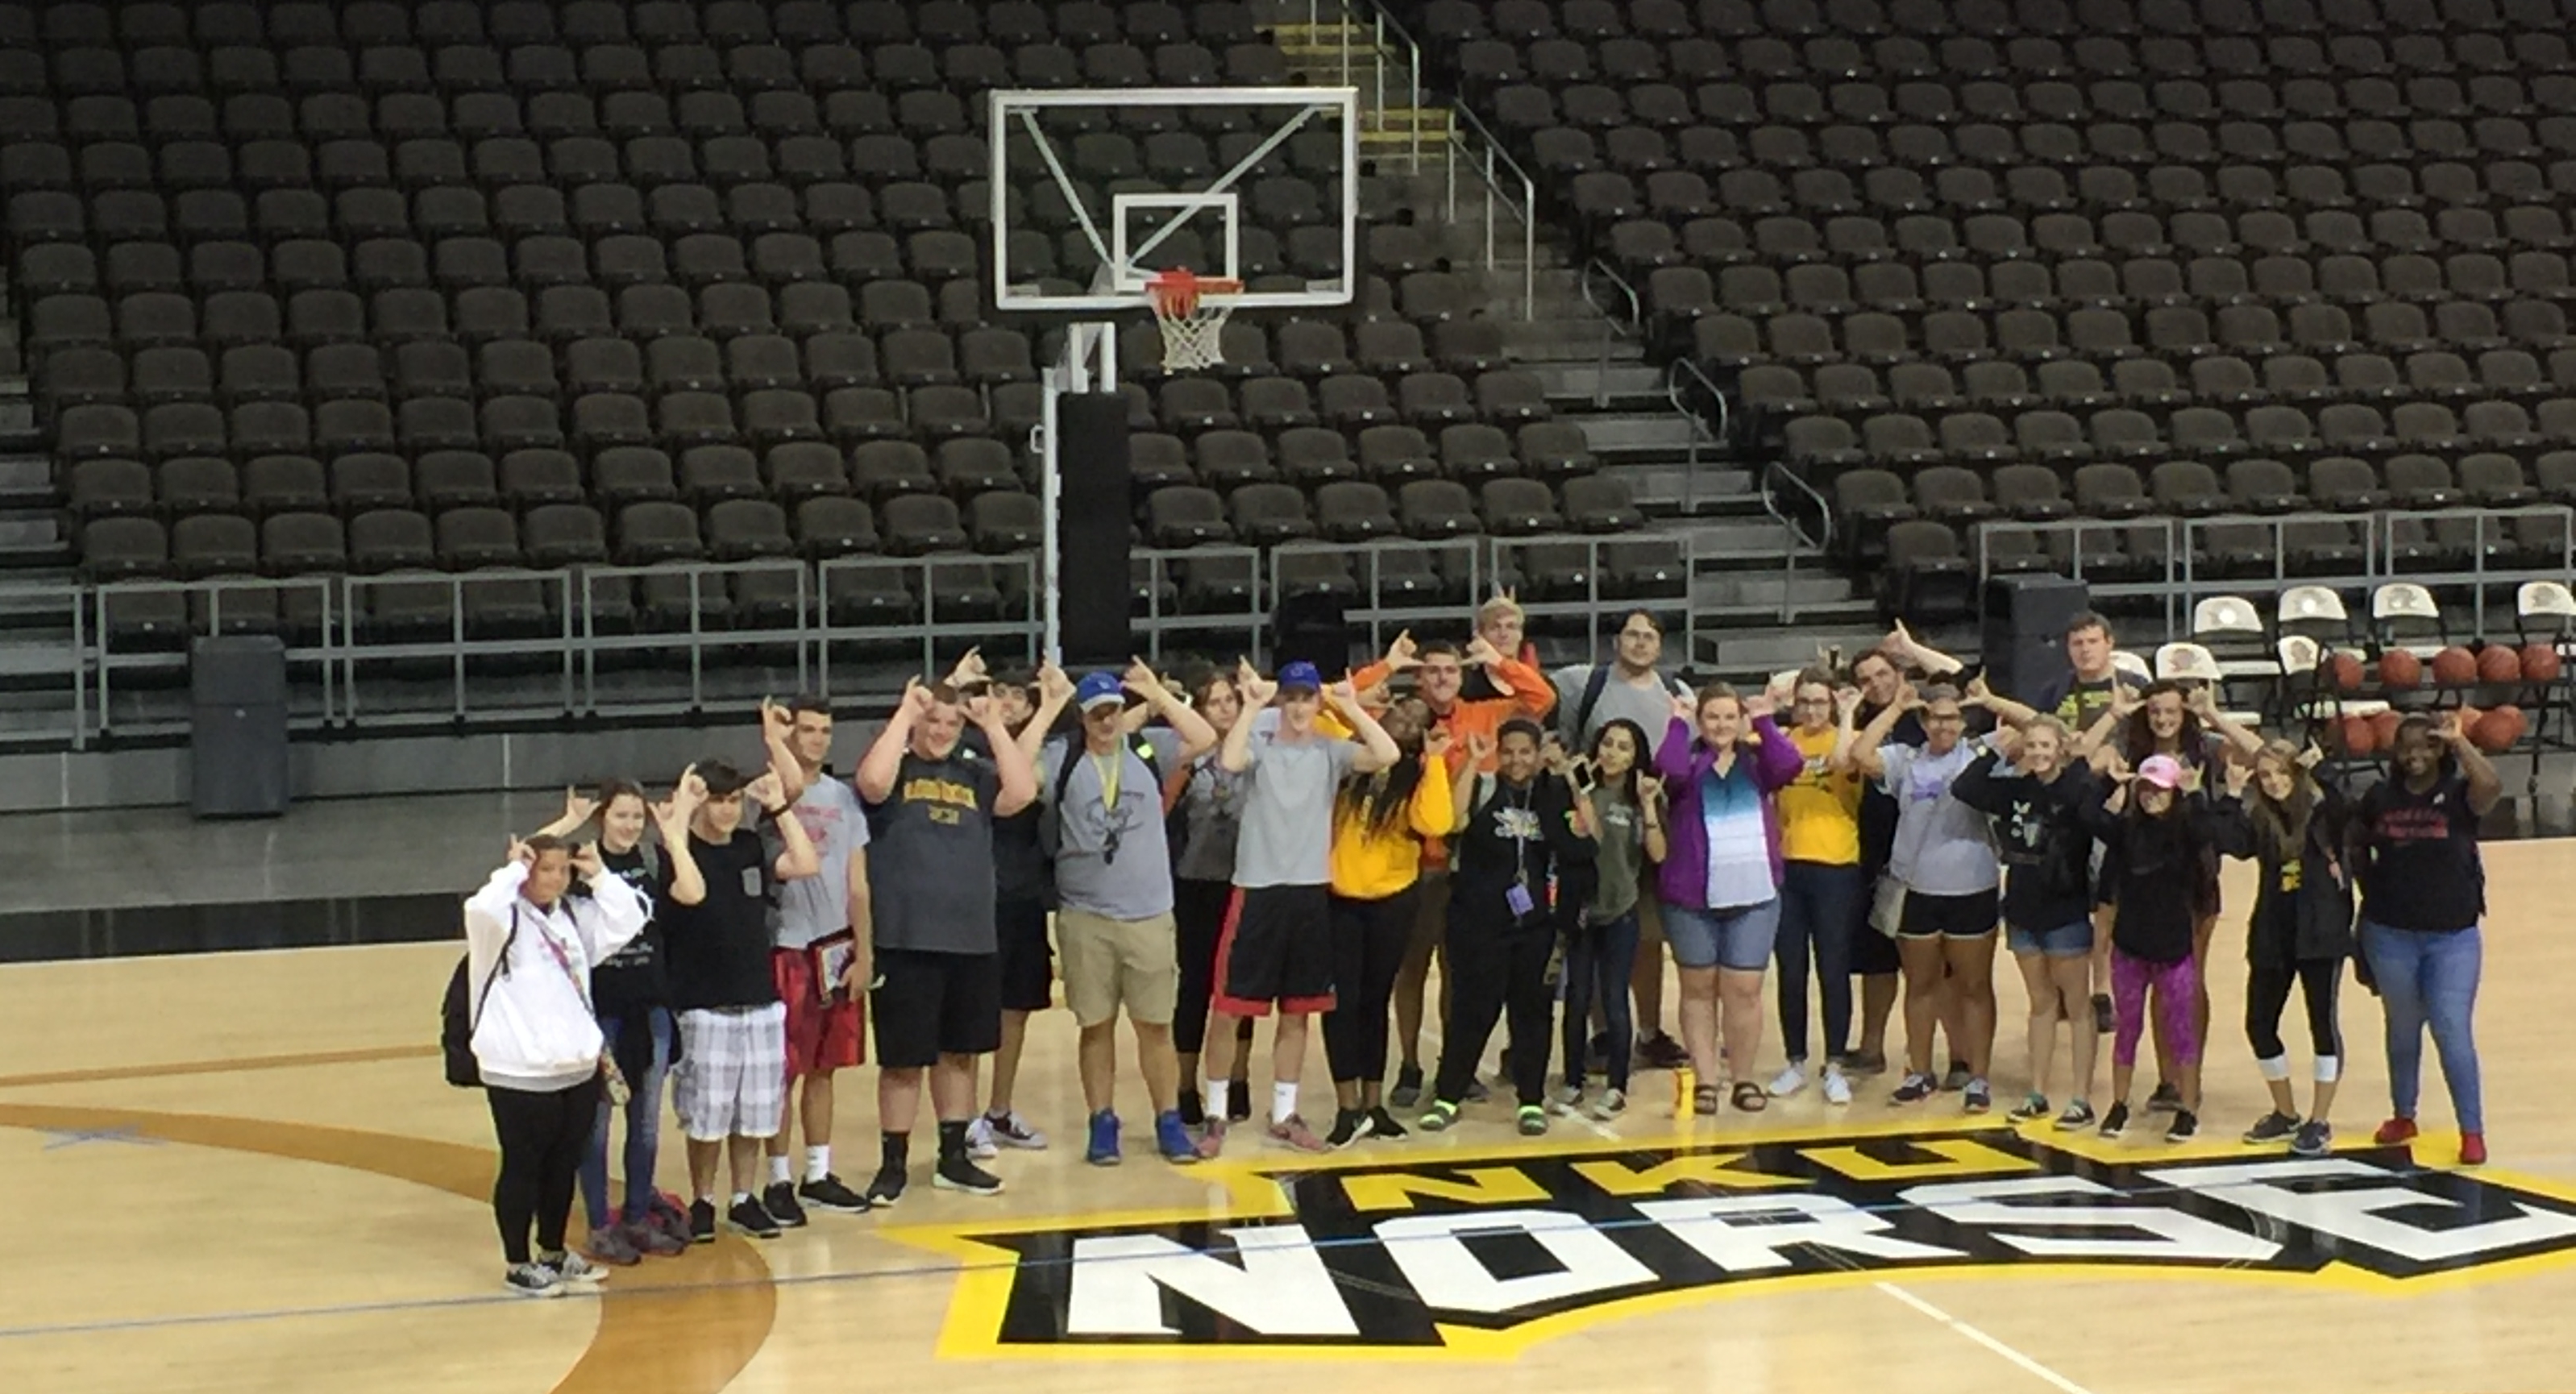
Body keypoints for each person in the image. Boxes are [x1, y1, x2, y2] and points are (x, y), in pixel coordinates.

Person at [1198, 660, 1399, 1158]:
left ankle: (1284, 1113)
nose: (1299, 706)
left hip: (1309, 892)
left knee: (1297, 1011)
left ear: (1316, 701)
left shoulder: (1331, 750)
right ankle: (1216, 1113)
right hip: (1258, 888)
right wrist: (1251, 705)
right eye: (1291, 697)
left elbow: (1388, 753)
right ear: (1281, 700)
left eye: (1307, 697)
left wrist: (1349, 705)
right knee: (1229, 1009)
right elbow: (1230, 760)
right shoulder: (1261, 745)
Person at [1351, 632, 1556, 1108]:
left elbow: (1541, 698)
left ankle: (1454, 1068)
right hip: (1412, 863)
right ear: (1420, 677)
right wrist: (1388, 665)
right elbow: (1344, 703)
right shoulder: (1400, 720)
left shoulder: (1484, 715)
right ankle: (1409, 1065)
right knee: (1411, 970)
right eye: (1432, 670)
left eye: (1450, 670)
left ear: (1462, 676)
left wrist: (1499, 661)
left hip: (1474, 869)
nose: (1442, 678)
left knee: (1460, 974)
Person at [855, 676, 1038, 1201]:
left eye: (952, 723)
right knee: (903, 1061)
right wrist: (905, 712)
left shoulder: (975, 774)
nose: (941, 731)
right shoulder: (898, 769)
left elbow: (1023, 792)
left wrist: (993, 726)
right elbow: (871, 783)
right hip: (906, 937)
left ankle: (953, 1158)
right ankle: (893, 1163)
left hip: (971, 938)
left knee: (960, 1054)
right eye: (932, 720)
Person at [1028, 662, 1219, 1166]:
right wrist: (1048, 709)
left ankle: (1168, 1120)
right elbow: (1020, 776)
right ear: (1082, 717)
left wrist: (1158, 695)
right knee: (1096, 1026)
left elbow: (1205, 736)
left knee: (1155, 1025)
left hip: (1149, 913)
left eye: (1113, 711)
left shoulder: (1148, 750)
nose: (1107, 721)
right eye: (1096, 714)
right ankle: (1102, 1121)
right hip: (1085, 916)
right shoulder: (1064, 758)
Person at [465, 832, 650, 1297]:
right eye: (545, 869)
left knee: (563, 1163)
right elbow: (480, 907)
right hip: (519, 1071)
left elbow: (630, 917)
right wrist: (512, 869)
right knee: (523, 1164)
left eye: (563, 870)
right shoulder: (501, 920)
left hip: (575, 1067)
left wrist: (599, 874)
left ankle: (552, 1250)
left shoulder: (572, 916)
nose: (556, 879)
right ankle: (517, 1261)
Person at [2075, 680, 2263, 1111]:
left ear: (2185, 714)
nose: (2162, 719)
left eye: (2172, 711)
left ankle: (2188, 1074)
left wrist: (2213, 714)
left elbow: (2261, 755)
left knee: (2187, 980)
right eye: (2155, 711)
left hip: (2193, 876)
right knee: (2150, 978)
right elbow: (2076, 759)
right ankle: (2166, 1080)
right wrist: (2114, 714)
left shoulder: (2205, 748)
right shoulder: (2129, 747)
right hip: (2136, 874)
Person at [656, 761, 821, 1240]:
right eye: (717, 800)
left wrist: (779, 807)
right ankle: (703, 1199)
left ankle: (744, 1197)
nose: (727, 810)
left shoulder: (751, 846)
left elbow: (806, 863)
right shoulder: (676, 852)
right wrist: (682, 811)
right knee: (707, 1116)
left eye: (733, 800)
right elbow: (687, 891)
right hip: (704, 1002)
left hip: (758, 997)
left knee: (754, 1113)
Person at [1420, 720, 1598, 1134]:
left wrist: (1572, 777)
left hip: (1535, 926)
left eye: (1525, 752)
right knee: (1472, 1011)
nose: (1517, 760)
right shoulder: (1484, 787)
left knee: (1532, 1014)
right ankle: (1448, 1096)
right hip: (1478, 923)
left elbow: (1588, 838)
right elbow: (1454, 821)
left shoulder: (1552, 794)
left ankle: (1530, 1100)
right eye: (1509, 752)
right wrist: (1472, 762)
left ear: (1538, 754)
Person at [540, 782, 688, 1263]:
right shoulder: (581, 864)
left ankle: (637, 1217)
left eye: (637, 817)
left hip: (651, 1010)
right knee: (597, 1127)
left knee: (645, 1124)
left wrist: (676, 831)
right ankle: (600, 1225)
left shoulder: (652, 861)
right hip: (601, 1015)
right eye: (621, 815)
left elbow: (691, 894)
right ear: (602, 816)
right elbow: (528, 866)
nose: (630, 825)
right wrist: (566, 825)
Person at [1548, 610, 1697, 1074]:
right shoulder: (1583, 683)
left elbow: (1691, 755)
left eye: (1648, 636)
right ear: (1617, 640)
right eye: (1632, 634)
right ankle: (1602, 1035)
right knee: (1596, 932)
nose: (1640, 642)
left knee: (1646, 937)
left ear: (1660, 644)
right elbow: (1550, 723)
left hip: (1651, 819)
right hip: (1597, 822)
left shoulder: (1676, 692)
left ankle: (1649, 1033)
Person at [2350, 709, 2500, 1166]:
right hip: (2389, 933)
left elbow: (2491, 786)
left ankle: (2472, 1130)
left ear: (2439, 750)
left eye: (2426, 746)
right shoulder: (2379, 796)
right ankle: (2404, 1114)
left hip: (2453, 937)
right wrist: (2366, 899)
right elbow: (2356, 846)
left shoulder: (2458, 794)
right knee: (2402, 1026)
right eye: (2406, 747)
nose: (2414, 754)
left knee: (2451, 1029)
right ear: (2395, 752)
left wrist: (2460, 741)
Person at [1653, 682, 1805, 1114]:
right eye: (1711, 717)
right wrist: (1677, 725)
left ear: (1740, 721)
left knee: (1744, 990)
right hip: (1690, 899)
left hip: (1754, 896)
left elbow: (1790, 764)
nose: (1720, 725)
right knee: (1697, 989)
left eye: (1728, 717)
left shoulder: (1756, 763)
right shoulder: (1690, 763)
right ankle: (1706, 1080)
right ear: (1700, 721)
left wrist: (1764, 721)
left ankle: (1742, 1079)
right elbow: (1667, 769)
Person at [1851, 683, 2001, 1112]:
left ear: (1963, 721)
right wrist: (1895, 707)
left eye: (1951, 717)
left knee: (1974, 987)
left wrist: (1990, 701)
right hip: (1915, 887)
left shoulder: (1980, 754)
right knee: (1920, 985)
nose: (1943, 725)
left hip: (1971, 886)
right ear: (1923, 720)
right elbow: (1860, 754)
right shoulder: (1905, 759)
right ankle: (1919, 1072)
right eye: (1935, 717)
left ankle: (1978, 1077)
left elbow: (2035, 727)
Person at [755, 697, 875, 1225]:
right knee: (784, 1069)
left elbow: (858, 881)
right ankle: (777, 1177)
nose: (818, 739)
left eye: (825, 731)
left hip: (835, 945)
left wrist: (865, 951)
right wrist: (772, 739)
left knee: (826, 1067)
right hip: (788, 943)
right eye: (807, 730)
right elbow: (789, 789)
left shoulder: (844, 797)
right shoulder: (772, 790)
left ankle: (818, 1172)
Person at [1951, 718, 2104, 1130]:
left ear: (2060, 749)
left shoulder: (2076, 788)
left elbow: (2092, 803)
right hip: (2022, 909)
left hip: (2065, 910)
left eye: (2045, 746)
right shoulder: (2015, 789)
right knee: (2040, 1003)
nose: (2038, 753)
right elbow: (1965, 788)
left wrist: (2080, 756)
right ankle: (2037, 1093)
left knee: (2077, 1005)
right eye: (2031, 745)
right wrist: (1999, 749)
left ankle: (2081, 1099)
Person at [1323, 697, 1453, 1145]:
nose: (1407, 719)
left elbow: (1436, 821)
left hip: (1393, 899)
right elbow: (1324, 704)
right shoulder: (1349, 753)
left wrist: (1435, 763)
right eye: (1402, 709)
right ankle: (1347, 1107)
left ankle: (1374, 1104)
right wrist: (1353, 701)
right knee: (1341, 1004)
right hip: (1339, 898)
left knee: (1374, 1002)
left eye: (1418, 720)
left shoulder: (1417, 773)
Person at [2238, 740, 2354, 1158]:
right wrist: (2230, 795)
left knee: (2321, 1024)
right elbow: (2232, 842)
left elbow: (2344, 808)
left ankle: (2319, 1120)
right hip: (2273, 932)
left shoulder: (2322, 813)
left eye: (2282, 773)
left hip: (2320, 933)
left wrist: (2320, 770)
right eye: (2265, 776)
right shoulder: (2259, 819)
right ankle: (2285, 1112)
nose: (2274, 782)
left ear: (2297, 774)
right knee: (2258, 1023)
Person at [1554, 716, 1664, 1119]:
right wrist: (1577, 789)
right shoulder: (1581, 790)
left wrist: (1649, 805)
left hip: (1622, 910)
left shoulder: (1641, 796)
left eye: (1623, 747)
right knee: (1578, 997)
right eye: (1608, 743)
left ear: (1635, 756)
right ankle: (1572, 1080)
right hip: (1583, 908)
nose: (1612, 753)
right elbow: (1589, 836)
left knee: (1615, 997)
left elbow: (1659, 854)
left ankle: (1617, 1085)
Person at [966, 658, 1054, 1156]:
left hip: (1025, 895)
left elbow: (1027, 779)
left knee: (1016, 1008)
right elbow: (1009, 780)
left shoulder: (1048, 747)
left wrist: (1051, 707)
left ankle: (998, 1111)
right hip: (978, 897)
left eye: (1020, 696)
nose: (1008, 702)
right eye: (1000, 692)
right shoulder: (971, 748)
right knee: (973, 1011)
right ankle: (963, 1121)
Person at [1164, 664, 1254, 1127]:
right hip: (1195, 883)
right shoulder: (1186, 757)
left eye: (1229, 701)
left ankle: (1238, 1077)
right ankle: (1184, 1084)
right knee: (1196, 984)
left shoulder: (1255, 751)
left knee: (1241, 985)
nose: (1223, 709)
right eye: (1213, 702)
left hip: (1244, 881)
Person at [1769, 670, 1863, 1106]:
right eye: (1804, 701)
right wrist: (1771, 704)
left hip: (1835, 865)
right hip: (1788, 866)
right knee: (1791, 969)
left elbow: (1844, 763)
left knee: (1833, 967)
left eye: (1819, 702)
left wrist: (1848, 714)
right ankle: (1795, 1061)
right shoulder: (1782, 740)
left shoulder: (1848, 739)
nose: (1811, 710)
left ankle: (1836, 1065)